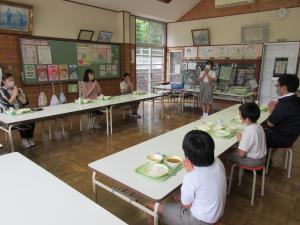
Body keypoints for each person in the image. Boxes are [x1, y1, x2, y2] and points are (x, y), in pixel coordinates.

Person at [147, 130, 227, 225]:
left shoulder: (192, 176)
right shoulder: (218, 162)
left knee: (149, 206)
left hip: (198, 220)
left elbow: (186, 205)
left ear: (187, 156)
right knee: (177, 192)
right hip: (215, 214)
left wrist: (190, 173)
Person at [0, 73, 35, 149]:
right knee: (22, 120)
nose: (12, 81)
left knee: (32, 119)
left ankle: (30, 138)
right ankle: (24, 140)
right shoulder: (1, 91)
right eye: (10, 80)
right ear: (4, 82)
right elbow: (7, 105)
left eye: (13, 80)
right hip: (8, 116)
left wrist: (18, 94)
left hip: (20, 112)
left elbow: (25, 102)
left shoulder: (18, 89)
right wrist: (14, 95)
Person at [227, 102, 267, 167]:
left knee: (227, 153)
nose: (239, 116)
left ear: (247, 119)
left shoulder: (250, 130)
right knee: (234, 148)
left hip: (253, 161)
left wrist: (240, 140)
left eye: (240, 114)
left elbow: (241, 154)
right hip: (262, 157)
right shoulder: (258, 126)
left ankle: (228, 174)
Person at [266, 75, 300, 148]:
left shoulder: (286, 103)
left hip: (280, 138)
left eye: (277, 85)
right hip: (290, 136)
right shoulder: (295, 99)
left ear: (284, 88)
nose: (276, 87)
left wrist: (271, 109)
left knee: (253, 134)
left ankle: (260, 157)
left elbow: (270, 123)